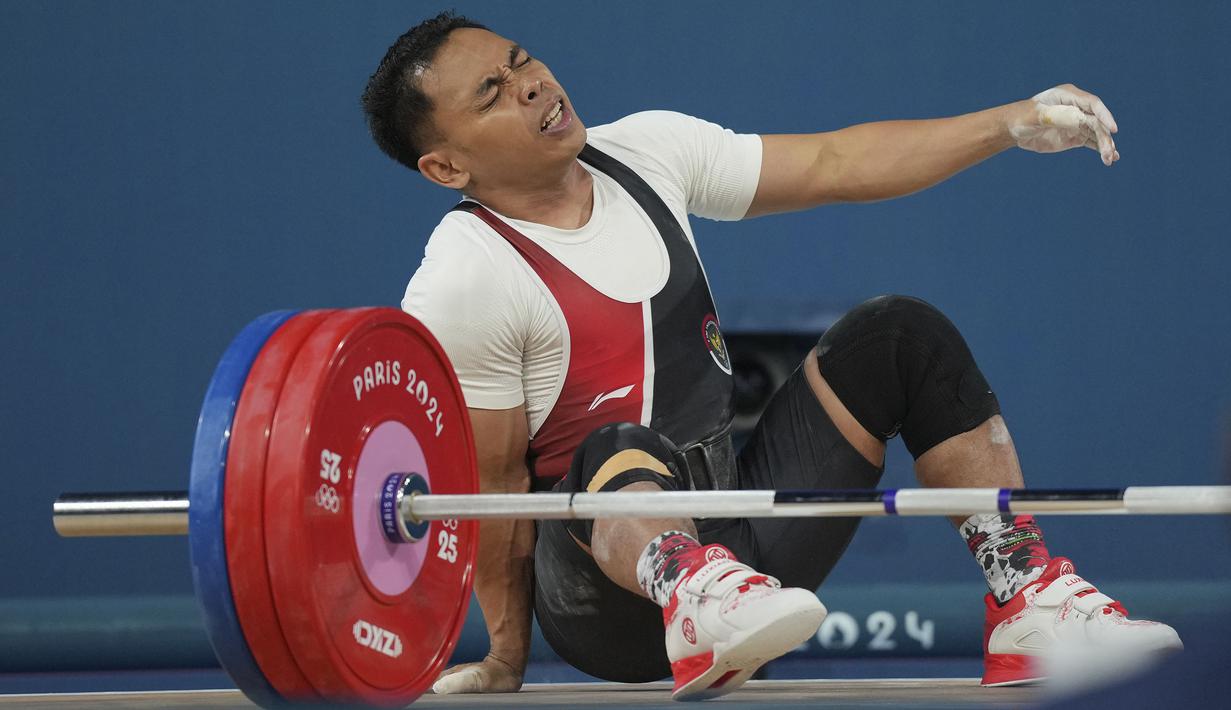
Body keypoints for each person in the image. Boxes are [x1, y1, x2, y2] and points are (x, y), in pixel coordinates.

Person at [361, 12, 1181, 700]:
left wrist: (1010, 123)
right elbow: (494, 489)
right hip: (605, 607)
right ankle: (689, 593)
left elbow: (834, 162)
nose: (533, 84)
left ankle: (1024, 597)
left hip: (743, 556)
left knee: (898, 335)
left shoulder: (646, 151)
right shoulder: (466, 274)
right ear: (446, 165)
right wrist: (505, 658)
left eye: (520, 60)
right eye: (491, 93)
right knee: (617, 442)